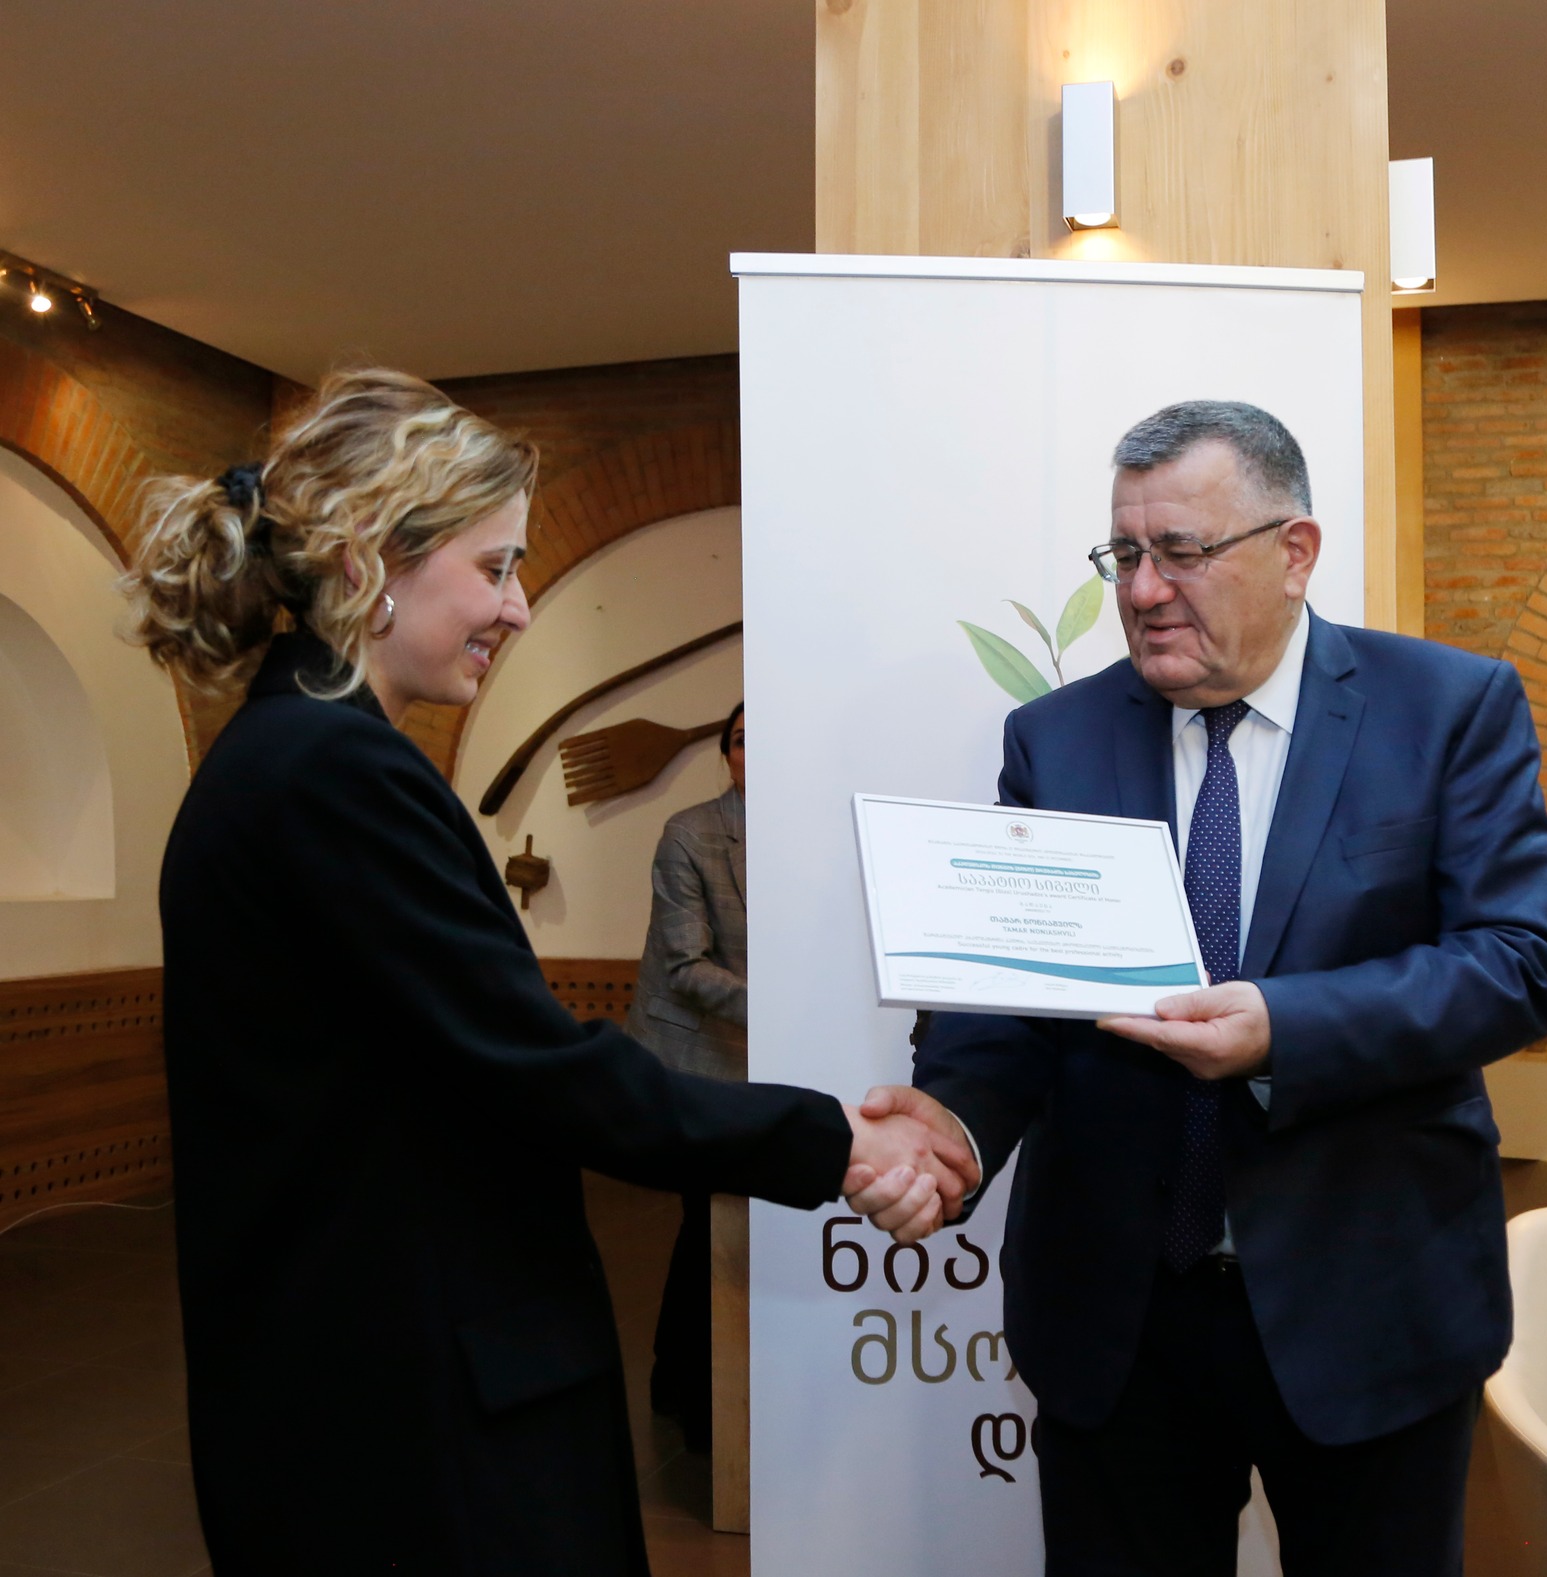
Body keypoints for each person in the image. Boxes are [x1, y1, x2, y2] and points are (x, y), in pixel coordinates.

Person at [122, 368, 972, 1577]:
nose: (517, 609)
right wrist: (832, 1138)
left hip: (361, 1382)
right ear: (369, 560)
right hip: (406, 1408)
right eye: (495, 566)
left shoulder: (293, 751)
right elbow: (536, 1070)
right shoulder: (330, 771)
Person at [871, 401, 1547, 1576]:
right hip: (1118, 1320)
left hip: (1369, 1303)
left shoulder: (1447, 708)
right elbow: (1008, 1002)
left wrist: (1282, 1028)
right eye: (1123, 553)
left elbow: (1517, 961)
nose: (1142, 590)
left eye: (1180, 552)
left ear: (1293, 552)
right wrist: (955, 1123)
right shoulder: (1055, 738)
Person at [622, 699, 748, 1446]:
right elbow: (685, 966)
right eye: (740, 741)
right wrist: (785, 1011)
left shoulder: (804, 833)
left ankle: (680, 1382)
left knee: (715, 1222)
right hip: (692, 1053)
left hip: (757, 1049)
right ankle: (691, 1399)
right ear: (725, 754)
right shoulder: (689, 832)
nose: (753, 754)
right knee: (708, 1218)